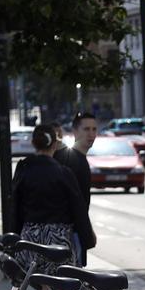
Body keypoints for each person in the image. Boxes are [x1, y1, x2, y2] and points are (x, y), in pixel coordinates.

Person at [12, 124, 95, 279]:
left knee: (38, 283)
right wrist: (87, 239)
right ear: (55, 145)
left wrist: (13, 238)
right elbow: (78, 209)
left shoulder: (23, 168)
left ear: (33, 143)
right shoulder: (64, 173)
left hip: (30, 237)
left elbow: (15, 206)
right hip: (58, 239)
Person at [54, 112, 98, 266]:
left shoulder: (76, 158)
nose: (91, 134)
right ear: (75, 131)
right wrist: (86, 231)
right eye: (86, 129)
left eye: (94, 129)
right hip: (69, 233)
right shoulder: (70, 159)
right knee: (69, 283)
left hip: (71, 231)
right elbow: (76, 203)